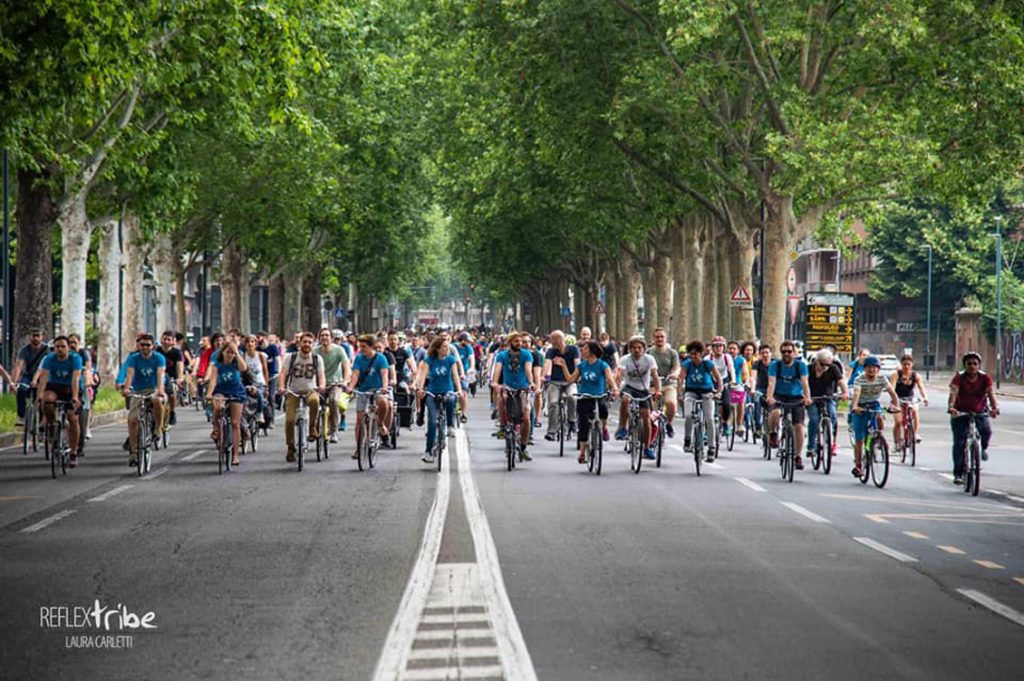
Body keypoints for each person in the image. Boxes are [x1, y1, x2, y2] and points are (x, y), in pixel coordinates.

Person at [555, 339, 618, 464]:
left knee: (604, 410)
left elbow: (610, 378)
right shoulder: (582, 366)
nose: (581, 351)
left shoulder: (602, 365)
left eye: (584, 349)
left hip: (599, 396)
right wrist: (564, 366)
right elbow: (571, 379)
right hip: (584, 397)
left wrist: (615, 389)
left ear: (592, 352)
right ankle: (583, 452)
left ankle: (603, 428)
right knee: (583, 425)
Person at [948, 351, 999, 485]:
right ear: (964, 365)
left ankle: (982, 448)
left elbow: (991, 394)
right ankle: (958, 474)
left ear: (979, 366)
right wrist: (951, 407)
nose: (972, 366)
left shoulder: (985, 378)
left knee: (987, 431)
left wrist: (994, 408)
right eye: (969, 363)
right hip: (960, 412)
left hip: (979, 411)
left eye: (975, 364)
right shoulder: (959, 377)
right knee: (959, 442)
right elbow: (953, 392)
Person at [414, 335, 463, 464]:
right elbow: (423, 376)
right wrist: (420, 389)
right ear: (437, 349)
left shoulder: (450, 360)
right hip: (432, 392)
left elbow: (455, 376)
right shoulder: (428, 360)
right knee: (431, 422)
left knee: (452, 400)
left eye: (447, 347)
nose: (447, 349)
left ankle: (450, 425)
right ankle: (428, 451)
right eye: (444, 347)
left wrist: (459, 390)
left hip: (447, 390)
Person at [278, 332, 326, 463]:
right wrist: (281, 387)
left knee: (315, 400)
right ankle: (291, 446)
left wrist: (321, 385)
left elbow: (321, 376)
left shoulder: (317, 359)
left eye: (310, 342)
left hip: (310, 390)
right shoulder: (291, 357)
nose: (307, 345)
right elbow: (283, 374)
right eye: (304, 342)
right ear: (299, 343)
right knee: (289, 420)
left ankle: (312, 427)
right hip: (293, 391)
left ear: (313, 344)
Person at [850, 355, 900, 479]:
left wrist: (896, 406)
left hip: (874, 403)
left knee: (879, 416)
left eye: (874, 367)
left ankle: (878, 437)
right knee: (859, 439)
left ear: (878, 369)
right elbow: (856, 393)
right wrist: (855, 406)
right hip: (861, 406)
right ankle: (858, 465)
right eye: (869, 367)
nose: (872, 370)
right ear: (865, 368)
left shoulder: (882, 379)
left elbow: (892, 393)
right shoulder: (859, 379)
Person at [36, 336, 83, 466]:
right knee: (47, 400)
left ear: (68, 348)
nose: (60, 349)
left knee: (73, 418)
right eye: (57, 347)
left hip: (70, 388)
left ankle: (73, 452)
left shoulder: (75, 359)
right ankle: (52, 425)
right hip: (55, 387)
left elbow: (75, 379)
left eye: (63, 347)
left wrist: (74, 397)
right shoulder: (49, 359)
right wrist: (39, 396)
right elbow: (44, 378)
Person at [122, 333, 166, 467]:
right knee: (132, 420)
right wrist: (127, 388)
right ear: (138, 346)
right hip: (138, 390)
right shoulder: (133, 358)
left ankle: (158, 428)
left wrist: (160, 390)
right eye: (142, 345)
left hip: (153, 389)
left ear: (153, 346)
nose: (145, 347)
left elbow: (160, 374)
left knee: (157, 401)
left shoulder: (159, 358)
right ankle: (133, 452)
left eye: (148, 345)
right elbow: (130, 374)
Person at [491, 332, 536, 461]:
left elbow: (528, 370)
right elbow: (498, 369)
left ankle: (523, 447)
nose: (520, 344)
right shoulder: (502, 355)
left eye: (521, 341)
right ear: (510, 342)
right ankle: (503, 425)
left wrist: (531, 383)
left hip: (523, 388)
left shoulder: (527, 355)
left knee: (526, 418)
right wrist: (495, 383)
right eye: (516, 341)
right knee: (502, 398)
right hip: (508, 386)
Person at [766, 340, 811, 469]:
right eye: (784, 351)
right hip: (779, 395)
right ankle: (773, 433)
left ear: (794, 353)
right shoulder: (775, 365)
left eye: (789, 351)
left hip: (796, 397)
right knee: (775, 412)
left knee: (799, 427)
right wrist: (769, 397)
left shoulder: (800, 365)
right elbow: (771, 383)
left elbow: (805, 383)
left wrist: (807, 397)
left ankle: (798, 456)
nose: (786, 354)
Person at [347, 334, 392, 460]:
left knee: (383, 403)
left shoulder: (381, 358)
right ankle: (358, 447)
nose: (361, 349)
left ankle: (380, 423)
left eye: (364, 347)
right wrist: (350, 387)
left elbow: (384, 374)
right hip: (363, 390)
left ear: (371, 347)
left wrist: (384, 387)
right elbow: (355, 375)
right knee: (359, 419)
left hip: (377, 389)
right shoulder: (358, 359)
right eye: (360, 346)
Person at [615, 335, 661, 460]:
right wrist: (617, 388)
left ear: (644, 349)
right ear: (630, 349)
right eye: (634, 348)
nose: (637, 350)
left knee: (646, 419)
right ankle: (622, 428)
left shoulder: (649, 359)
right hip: (629, 387)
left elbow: (655, 375)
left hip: (643, 390)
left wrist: (657, 390)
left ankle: (647, 447)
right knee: (625, 400)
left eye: (639, 347)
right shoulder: (625, 359)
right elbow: (619, 374)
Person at [206, 341, 248, 467]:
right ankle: (216, 429)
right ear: (223, 352)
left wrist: (237, 353)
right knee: (217, 407)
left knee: (235, 423)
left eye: (232, 353)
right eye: (228, 352)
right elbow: (213, 381)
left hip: (236, 391)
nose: (230, 355)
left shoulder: (236, 363)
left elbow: (244, 368)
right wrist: (209, 393)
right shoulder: (217, 365)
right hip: (221, 390)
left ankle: (235, 454)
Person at [679, 340, 722, 459]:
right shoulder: (687, 364)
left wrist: (718, 392)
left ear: (701, 353)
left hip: (707, 392)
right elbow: (680, 379)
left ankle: (711, 448)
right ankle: (687, 439)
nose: (693, 356)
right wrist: (679, 394)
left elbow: (719, 379)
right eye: (691, 354)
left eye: (696, 354)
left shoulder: (708, 364)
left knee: (709, 419)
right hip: (691, 392)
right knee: (688, 415)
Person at [806, 348, 848, 458]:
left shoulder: (833, 368)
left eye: (828, 365)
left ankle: (828, 435)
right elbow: (802, 383)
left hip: (828, 397)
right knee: (814, 419)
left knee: (833, 414)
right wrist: (805, 396)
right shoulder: (809, 369)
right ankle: (811, 446)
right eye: (823, 364)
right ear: (816, 361)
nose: (825, 367)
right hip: (812, 397)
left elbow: (840, 381)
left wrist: (845, 393)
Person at [542, 330, 579, 441]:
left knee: (572, 397)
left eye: (552, 339)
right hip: (555, 381)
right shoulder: (551, 351)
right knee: (553, 403)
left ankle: (572, 421)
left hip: (570, 381)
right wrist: (544, 376)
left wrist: (577, 376)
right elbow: (547, 363)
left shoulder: (573, 349)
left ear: (558, 339)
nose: (550, 341)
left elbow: (577, 364)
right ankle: (552, 431)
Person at [316, 328, 351, 441]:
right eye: (322, 335)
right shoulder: (314, 352)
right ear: (319, 338)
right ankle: (312, 428)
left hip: (334, 383)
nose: (325, 338)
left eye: (327, 335)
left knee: (334, 400)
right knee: (312, 402)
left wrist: (345, 380)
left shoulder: (339, 350)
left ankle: (334, 430)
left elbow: (347, 367)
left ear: (331, 338)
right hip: (318, 384)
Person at [11, 329, 49, 425]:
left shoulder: (47, 350)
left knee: (43, 397)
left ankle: (42, 421)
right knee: (21, 390)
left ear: (42, 337)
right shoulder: (24, 350)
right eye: (33, 336)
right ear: (29, 337)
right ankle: (22, 416)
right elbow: (18, 366)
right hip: (28, 376)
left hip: (44, 376)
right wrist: (14, 382)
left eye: (38, 336)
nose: (36, 338)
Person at [648, 328, 680, 438]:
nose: (659, 339)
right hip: (653, 385)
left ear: (666, 338)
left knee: (671, 403)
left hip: (668, 384)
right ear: (653, 339)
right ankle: (651, 434)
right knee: (652, 409)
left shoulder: (672, 353)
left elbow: (677, 367)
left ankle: (669, 423)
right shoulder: (649, 352)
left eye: (662, 337)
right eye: (657, 337)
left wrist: (674, 374)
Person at [892, 355, 929, 447]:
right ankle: (896, 442)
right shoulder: (896, 374)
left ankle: (915, 434)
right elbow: (891, 388)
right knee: (898, 421)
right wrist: (894, 400)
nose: (907, 366)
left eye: (909, 364)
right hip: (897, 398)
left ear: (912, 365)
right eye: (905, 364)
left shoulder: (915, 376)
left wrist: (925, 397)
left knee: (915, 411)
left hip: (910, 398)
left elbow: (921, 387)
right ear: (901, 364)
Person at [66, 333, 95, 442]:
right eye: (70, 343)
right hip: (66, 383)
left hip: (83, 381)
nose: (72, 345)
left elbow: (88, 368)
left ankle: (85, 427)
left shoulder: (83, 354)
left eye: (75, 342)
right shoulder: (65, 355)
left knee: (86, 403)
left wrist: (88, 377)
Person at [708, 336, 737, 436]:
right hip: (712, 382)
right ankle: (707, 430)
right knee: (708, 406)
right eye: (716, 346)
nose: (718, 348)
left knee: (726, 404)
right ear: (713, 347)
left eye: (721, 346)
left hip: (724, 381)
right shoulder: (708, 358)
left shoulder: (726, 357)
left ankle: (725, 422)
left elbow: (731, 369)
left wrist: (733, 381)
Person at [157, 331, 185, 427]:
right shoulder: (157, 351)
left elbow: (179, 366)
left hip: (172, 378)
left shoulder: (176, 353)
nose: (166, 341)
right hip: (158, 378)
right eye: (164, 339)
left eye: (168, 339)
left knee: (172, 392)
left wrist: (180, 378)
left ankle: (172, 411)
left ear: (173, 341)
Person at [242, 335, 271, 427]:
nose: (250, 344)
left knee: (258, 393)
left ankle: (260, 413)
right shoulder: (243, 356)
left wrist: (266, 386)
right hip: (248, 382)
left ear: (255, 344)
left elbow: (265, 371)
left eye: (252, 341)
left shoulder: (261, 356)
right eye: (247, 342)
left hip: (259, 383)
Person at [749, 344, 773, 435]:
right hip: (760, 389)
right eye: (762, 353)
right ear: (759, 354)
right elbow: (753, 377)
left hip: (773, 389)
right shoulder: (757, 364)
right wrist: (752, 389)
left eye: (767, 352)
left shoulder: (775, 364)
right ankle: (758, 427)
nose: (765, 355)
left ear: (771, 353)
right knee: (757, 402)